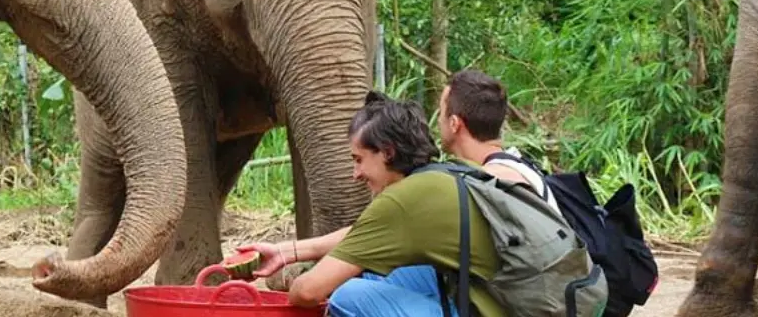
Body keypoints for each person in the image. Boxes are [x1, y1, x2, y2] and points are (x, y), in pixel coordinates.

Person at [236, 90, 505, 317]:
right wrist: (287, 252)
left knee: (349, 295)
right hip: (493, 302)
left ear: (387, 152)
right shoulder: (440, 176)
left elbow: (308, 292)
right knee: (376, 274)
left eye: (358, 159)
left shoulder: (402, 200)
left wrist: (296, 286)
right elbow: (365, 234)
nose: (355, 174)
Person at [437, 68, 560, 213]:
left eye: (441, 113)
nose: (438, 121)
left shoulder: (494, 183)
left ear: (454, 124)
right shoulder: (518, 167)